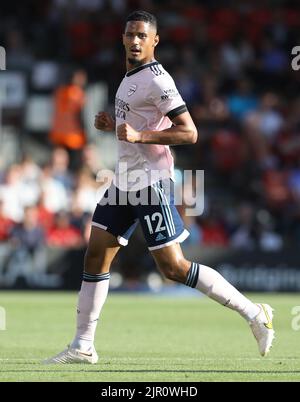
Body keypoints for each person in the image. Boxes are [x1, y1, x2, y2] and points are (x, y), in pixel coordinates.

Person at [45, 11, 274, 364]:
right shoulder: (129, 77)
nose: (134, 41)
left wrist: (139, 135)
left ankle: (255, 314)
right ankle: (82, 345)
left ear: (155, 41)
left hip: (151, 182)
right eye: (130, 34)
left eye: (141, 36)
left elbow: (189, 132)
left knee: (173, 267)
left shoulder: (158, 80)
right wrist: (114, 125)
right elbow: (137, 122)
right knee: (96, 254)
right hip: (124, 180)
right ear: (123, 38)